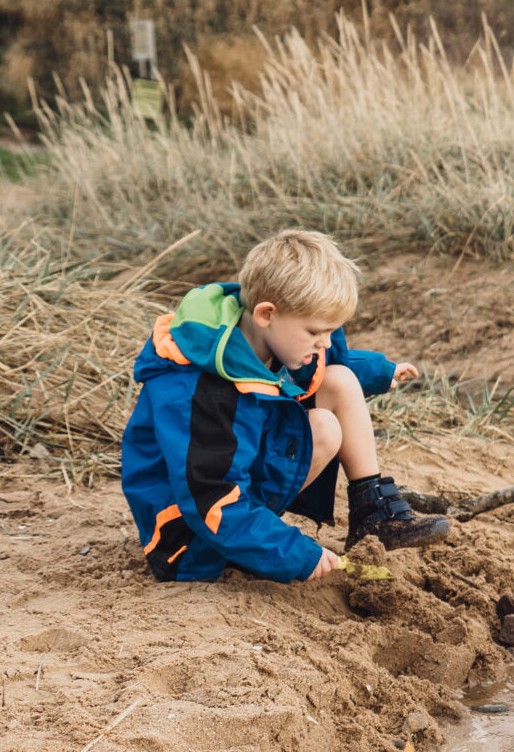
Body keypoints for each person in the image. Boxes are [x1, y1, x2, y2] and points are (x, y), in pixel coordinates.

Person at [121, 229, 452, 583]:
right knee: (323, 428)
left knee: (338, 382)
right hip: (189, 539)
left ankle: (372, 512)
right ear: (267, 314)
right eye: (315, 332)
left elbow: (320, 363)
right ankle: (253, 545)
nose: (323, 343)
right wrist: (292, 551)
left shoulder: (264, 333)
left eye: (330, 331)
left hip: (231, 488)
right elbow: (208, 496)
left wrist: (380, 372)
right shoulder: (201, 392)